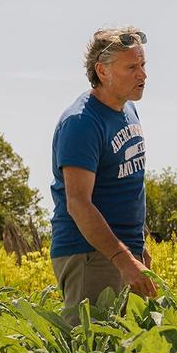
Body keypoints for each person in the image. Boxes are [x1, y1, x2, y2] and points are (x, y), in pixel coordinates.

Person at [50, 28, 156, 324]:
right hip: (91, 255)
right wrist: (123, 259)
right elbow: (78, 203)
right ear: (103, 71)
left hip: (121, 252)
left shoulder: (128, 110)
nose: (143, 75)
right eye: (132, 67)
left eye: (143, 65)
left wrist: (138, 245)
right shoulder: (82, 122)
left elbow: (125, 185)